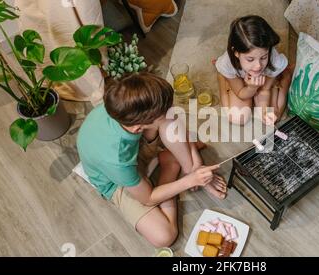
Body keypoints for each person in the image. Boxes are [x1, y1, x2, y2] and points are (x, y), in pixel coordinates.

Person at [77, 72, 227, 248]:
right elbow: (148, 198)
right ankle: (170, 166)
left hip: (134, 148)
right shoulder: (116, 159)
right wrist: (190, 181)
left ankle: (189, 166)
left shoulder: (123, 104)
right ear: (138, 127)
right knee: (165, 236)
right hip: (117, 182)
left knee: (169, 120)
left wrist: (196, 167)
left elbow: (170, 117)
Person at [216, 15, 294, 125]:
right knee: (237, 118)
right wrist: (251, 88)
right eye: (250, 59)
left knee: (274, 117)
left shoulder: (273, 60)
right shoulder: (228, 63)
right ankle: (223, 78)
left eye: (263, 57)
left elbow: (265, 90)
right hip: (240, 81)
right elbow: (241, 93)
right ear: (236, 53)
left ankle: (286, 76)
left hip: (264, 81)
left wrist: (264, 111)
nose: (258, 66)